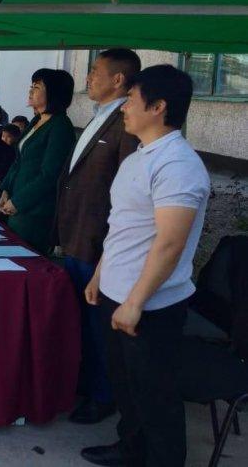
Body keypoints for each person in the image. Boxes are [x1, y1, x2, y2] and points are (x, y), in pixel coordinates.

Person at [81, 65, 210, 467]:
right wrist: (101, 274)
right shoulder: (140, 156)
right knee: (126, 386)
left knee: (155, 396)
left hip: (150, 305)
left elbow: (169, 244)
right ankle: (131, 448)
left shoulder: (177, 164)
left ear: (158, 107)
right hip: (116, 292)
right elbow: (123, 224)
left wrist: (135, 302)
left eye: (131, 101)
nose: (123, 109)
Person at [54, 49, 141, 427]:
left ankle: (104, 395)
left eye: (95, 71)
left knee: (98, 326)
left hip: (98, 244)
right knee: (80, 320)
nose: (88, 78)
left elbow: (125, 191)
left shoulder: (127, 124)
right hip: (75, 236)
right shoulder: (99, 116)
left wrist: (107, 246)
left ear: (118, 80)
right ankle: (85, 382)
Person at [0, 69, 76, 254]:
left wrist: (19, 201)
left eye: (36, 87)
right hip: (15, 203)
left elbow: (50, 175)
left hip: (35, 210)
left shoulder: (60, 126)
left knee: (25, 257)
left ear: (53, 93)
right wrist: (5, 189)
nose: (30, 91)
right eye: (31, 86)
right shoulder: (37, 120)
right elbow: (18, 160)